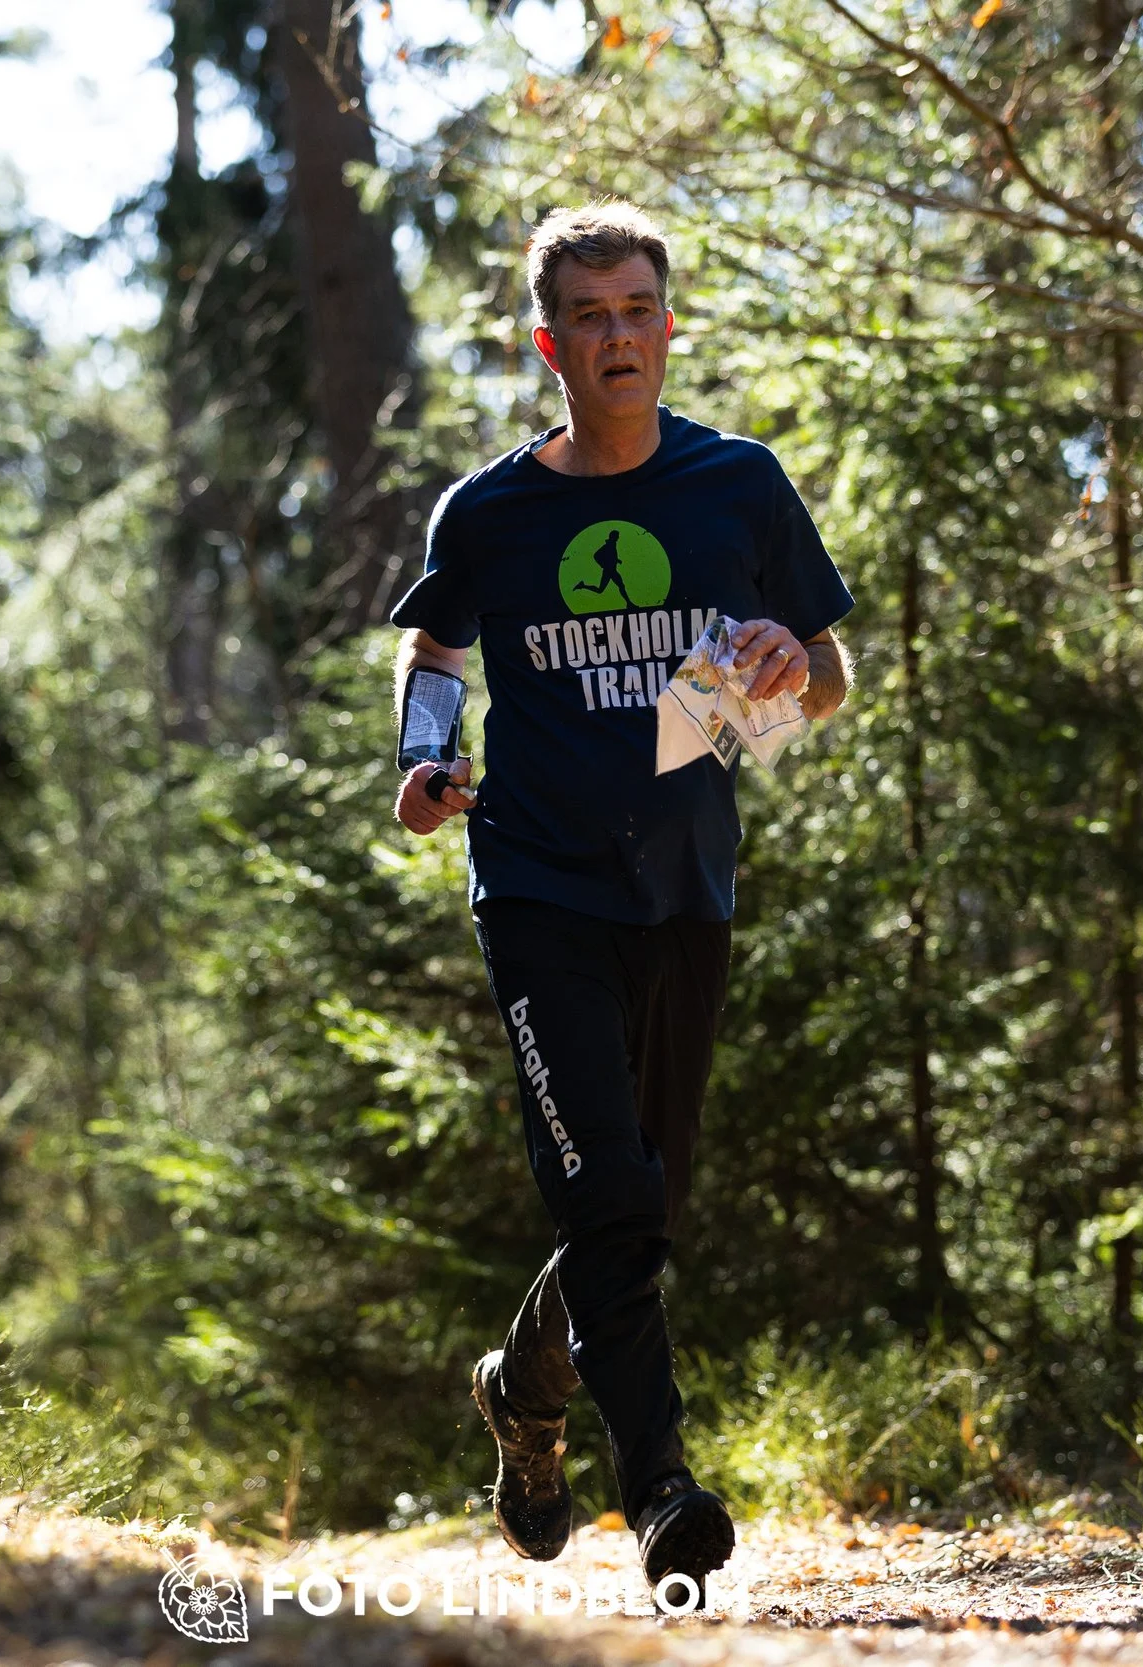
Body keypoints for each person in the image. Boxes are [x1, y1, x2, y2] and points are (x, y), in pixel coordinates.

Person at [386, 202, 854, 1592]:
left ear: (668, 323)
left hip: (687, 886)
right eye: (588, 318)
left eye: (637, 309)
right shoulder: (490, 511)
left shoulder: (737, 484)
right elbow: (435, 651)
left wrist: (791, 666)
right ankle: (660, 1491)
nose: (618, 337)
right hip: (538, 885)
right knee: (609, 1192)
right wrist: (424, 761)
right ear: (551, 346)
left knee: (638, 1213)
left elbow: (827, 676)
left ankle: (524, 1390)